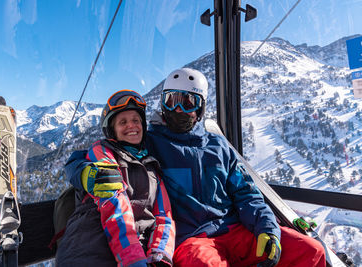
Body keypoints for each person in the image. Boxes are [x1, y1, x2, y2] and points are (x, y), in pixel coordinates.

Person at [67, 68, 326, 267]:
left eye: (188, 103)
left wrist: (267, 229)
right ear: (163, 104)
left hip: (234, 229)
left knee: (311, 251)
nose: (178, 109)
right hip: (191, 238)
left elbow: (247, 193)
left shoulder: (219, 147)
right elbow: (95, 153)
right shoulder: (151, 140)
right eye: (171, 101)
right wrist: (83, 172)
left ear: (200, 108)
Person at [56, 89, 175, 267]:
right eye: (123, 122)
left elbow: (164, 216)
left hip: (133, 246)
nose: (131, 126)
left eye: (136, 120)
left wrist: (159, 253)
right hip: (91, 243)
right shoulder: (103, 152)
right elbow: (115, 204)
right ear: (112, 130)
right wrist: (132, 258)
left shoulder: (152, 168)